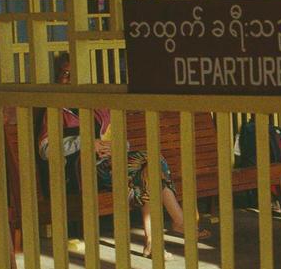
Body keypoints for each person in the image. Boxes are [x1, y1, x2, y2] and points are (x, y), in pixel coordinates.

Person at [39, 52, 199, 258]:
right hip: (83, 174)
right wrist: (86, 143)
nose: (69, 79)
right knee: (150, 165)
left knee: (150, 168)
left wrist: (113, 147)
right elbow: (45, 149)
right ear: (57, 78)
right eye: (65, 74)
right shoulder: (55, 111)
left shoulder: (98, 107)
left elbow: (123, 142)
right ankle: (176, 223)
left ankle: (153, 240)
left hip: (113, 166)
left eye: (74, 74)